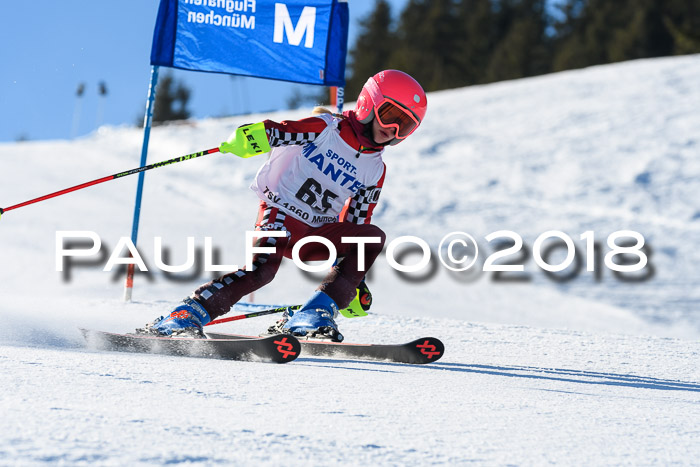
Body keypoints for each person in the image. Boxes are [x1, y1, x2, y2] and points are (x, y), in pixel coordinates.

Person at [140, 70, 427, 341]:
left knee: (371, 237)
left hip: (317, 233)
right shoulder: (327, 128)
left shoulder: (375, 169)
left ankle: (312, 314)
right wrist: (251, 136)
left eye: (406, 125)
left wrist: (352, 282)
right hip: (280, 212)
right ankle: (183, 316)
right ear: (368, 103)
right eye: (390, 115)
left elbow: (356, 224)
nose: (394, 130)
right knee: (261, 271)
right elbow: (282, 131)